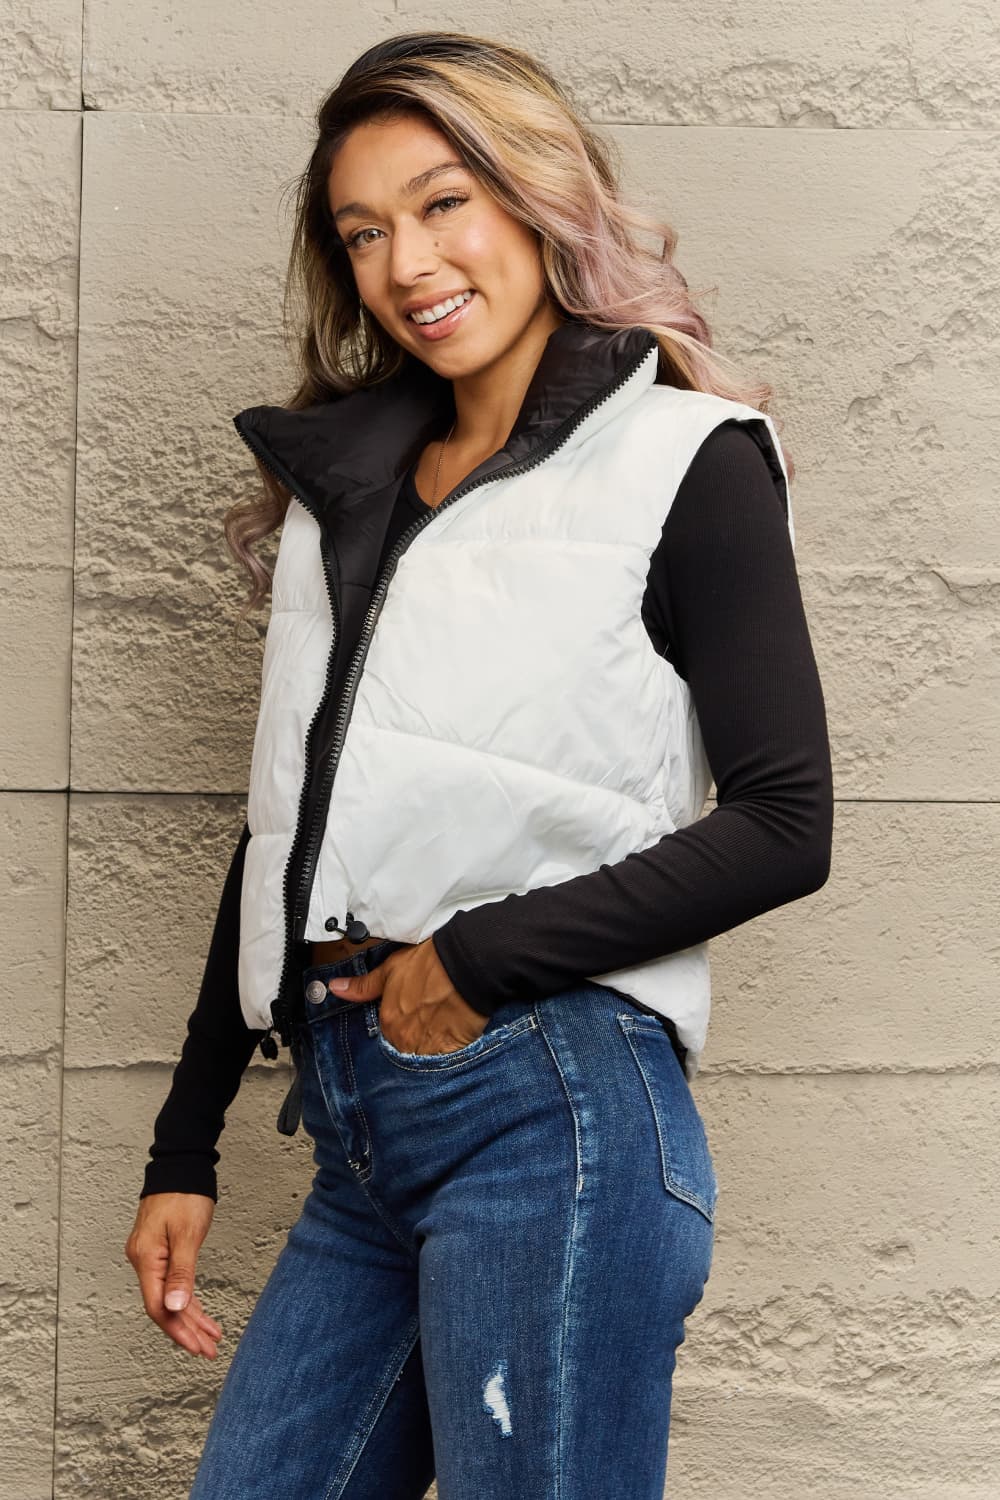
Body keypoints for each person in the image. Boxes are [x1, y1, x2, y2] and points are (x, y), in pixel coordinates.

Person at [124, 30, 833, 1500]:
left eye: (444, 202)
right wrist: (185, 1142)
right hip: (357, 1128)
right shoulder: (342, 495)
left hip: (551, 1107)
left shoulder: (687, 457)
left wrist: (476, 958)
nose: (407, 263)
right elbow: (288, 827)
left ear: (537, 198)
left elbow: (786, 822)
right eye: (362, 231)